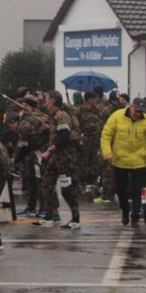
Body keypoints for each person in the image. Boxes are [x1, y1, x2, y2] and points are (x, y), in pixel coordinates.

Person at [100, 97, 146, 226]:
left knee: (137, 190)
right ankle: (125, 210)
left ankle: (135, 215)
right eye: (137, 110)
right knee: (121, 189)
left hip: (139, 161)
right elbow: (106, 135)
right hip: (120, 160)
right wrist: (107, 153)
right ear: (131, 107)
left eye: (141, 111)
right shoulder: (117, 116)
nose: (138, 114)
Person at [34, 91, 82, 229]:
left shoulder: (61, 116)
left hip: (66, 158)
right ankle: (49, 216)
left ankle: (75, 219)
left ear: (53, 101)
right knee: (46, 185)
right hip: (55, 158)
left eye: (47, 100)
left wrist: (49, 150)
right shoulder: (53, 116)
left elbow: (64, 136)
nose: (45, 103)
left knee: (68, 189)